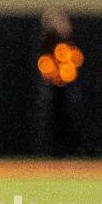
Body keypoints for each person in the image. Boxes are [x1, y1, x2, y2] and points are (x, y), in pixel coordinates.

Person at [34, 9, 85, 158]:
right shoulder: (44, 45)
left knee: (70, 121)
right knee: (51, 122)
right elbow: (44, 67)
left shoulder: (70, 45)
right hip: (52, 90)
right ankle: (50, 153)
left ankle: (71, 152)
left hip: (68, 89)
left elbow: (76, 62)